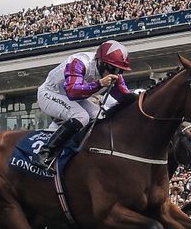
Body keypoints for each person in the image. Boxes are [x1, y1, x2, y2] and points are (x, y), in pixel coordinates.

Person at [32, 40, 133, 170]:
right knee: (81, 116)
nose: (116, 73)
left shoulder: (111, 71)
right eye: (113, 69)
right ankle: (45, 153)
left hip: (74, 98)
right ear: (102, 63)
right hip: (50, 94)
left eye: (120, 71)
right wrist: (99, 84)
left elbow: (125, 96)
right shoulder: (79, 62)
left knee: (101, 116)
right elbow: (73, 92)